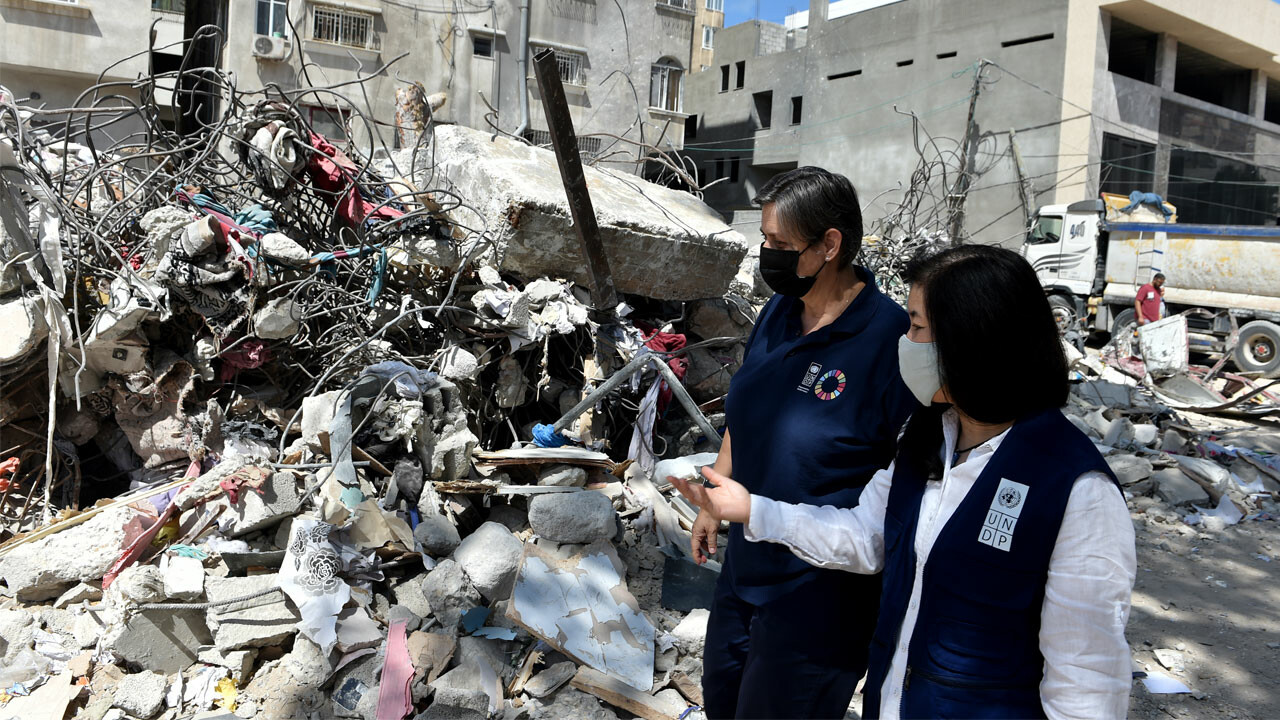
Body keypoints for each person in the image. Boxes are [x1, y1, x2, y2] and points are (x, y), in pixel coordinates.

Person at [673, 245, 1136, 719]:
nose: (905, 341)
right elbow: (865, 535)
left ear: (970, 342)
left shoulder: (1073, 488)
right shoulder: (928, 442)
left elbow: (1086, 679)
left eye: (916, 327)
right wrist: (754, 509)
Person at [686, 167, 917, 719]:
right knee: (723, 701)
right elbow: (747, 412)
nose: (767, 254)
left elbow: (906, 479)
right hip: (746, 570)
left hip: (820, 594)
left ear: (830, 245)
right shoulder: (778, 313)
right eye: (765, 239)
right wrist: (714, 498)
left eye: (780, 244)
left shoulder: (888, 341)